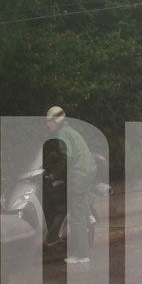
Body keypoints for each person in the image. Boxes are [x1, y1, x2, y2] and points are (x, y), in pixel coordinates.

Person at [46, 105, 100, 264]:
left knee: (76, 217)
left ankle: (81, 255)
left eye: (50, 121)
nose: (48, 124)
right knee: (79, 209)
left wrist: (53, 175)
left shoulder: (63, 134)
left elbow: (65, 158)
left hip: (79, 175)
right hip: (87, 171)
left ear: (57, 121)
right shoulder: (70, 132)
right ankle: (88, 215)